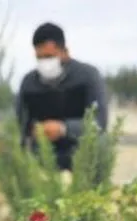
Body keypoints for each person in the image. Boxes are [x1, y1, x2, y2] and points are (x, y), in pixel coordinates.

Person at [15, 22, 109, 172]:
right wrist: (33, 131)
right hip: (44, 162)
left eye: (49, 56)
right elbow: (19, 124)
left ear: (65, 52)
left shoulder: (88, 76)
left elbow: (100, 123)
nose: (45, 63)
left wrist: (63, 129)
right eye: (40, 58)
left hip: (83, 159)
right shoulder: (28, 83)